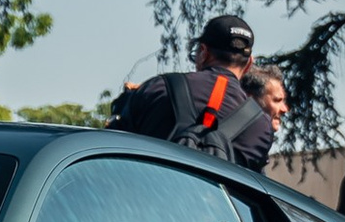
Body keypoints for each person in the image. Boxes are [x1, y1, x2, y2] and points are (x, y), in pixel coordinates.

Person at [111, 13, 275, 171]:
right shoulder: (260, 125)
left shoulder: (159, 88)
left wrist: (130, 98)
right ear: (249, 63)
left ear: (203, 52)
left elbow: (115, 142)